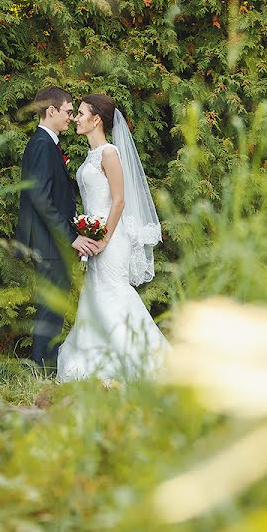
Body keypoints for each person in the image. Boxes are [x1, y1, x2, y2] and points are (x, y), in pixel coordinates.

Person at [56, 94, 170, 382]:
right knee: (96, 295)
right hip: (95, 236)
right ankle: (100, 363)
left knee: (114, 293)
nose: (76, 118)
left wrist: (104, 238)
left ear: (96, 120)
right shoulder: (92, 155)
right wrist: (85, 230)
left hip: (111, 238)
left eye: (81, 113)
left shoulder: (110, 153)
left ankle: (140, 363)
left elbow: (118, 201)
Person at [14, 86, 100, 374]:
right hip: (49, 243)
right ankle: (41, 373)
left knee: (54, 308)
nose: (71, 117)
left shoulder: (47, 144)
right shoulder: (41, 145)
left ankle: (45, 370)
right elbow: (40, 198)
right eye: (67, 111)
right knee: (50, 310)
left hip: (51, 241)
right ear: (51, 111)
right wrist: (72, 236)